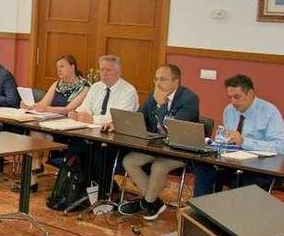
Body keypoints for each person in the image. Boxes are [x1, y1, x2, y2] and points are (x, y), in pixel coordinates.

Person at [118, 64, 200, 219]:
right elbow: (142, 114)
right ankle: (152, 202)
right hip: (155, 145)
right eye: (156, 79)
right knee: (129, 161)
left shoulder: (189, 99)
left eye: (163, 79)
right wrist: (131, 122)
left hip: (179, 149)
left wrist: (161, 105)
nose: (157, 83)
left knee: (159, 166)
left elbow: (173, 128)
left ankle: (147, 203)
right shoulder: (154, 94)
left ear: (176, 82)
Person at [193, 74, 284, 196]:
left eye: (237, 97)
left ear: (250, 93)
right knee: (203, 166)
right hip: (233, 162)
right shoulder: (229, 110)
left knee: (238, 182)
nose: (233, 102)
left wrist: (244, 142)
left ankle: (228, 212)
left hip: (259, 168)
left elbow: (280, 146)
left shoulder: (269, 112)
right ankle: (200, 208)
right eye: (229, 97)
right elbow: (228, 139)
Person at [18, 55, 91, 191]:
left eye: (62, 66)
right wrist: (30, 106)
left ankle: (34, 175)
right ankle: (36, 168)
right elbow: (43, 104)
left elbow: (69, 109)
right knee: (36, 131)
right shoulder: (57, 84)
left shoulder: (85, 87)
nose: (59, 70)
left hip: (69, 127)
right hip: (50, 124)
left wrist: (46, 109)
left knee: (40, 134)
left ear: (73, 67)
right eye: (57, 67)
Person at [70, 55, 138, 127]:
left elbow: (119, 119)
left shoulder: (128, 91)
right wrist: (77, 113)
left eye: (108, 70)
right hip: (91, 128)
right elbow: (85, 106)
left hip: (115, 133)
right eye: (102, 70)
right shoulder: (95, 87)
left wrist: (93, 119)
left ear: (119, 72)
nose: (104, 74)